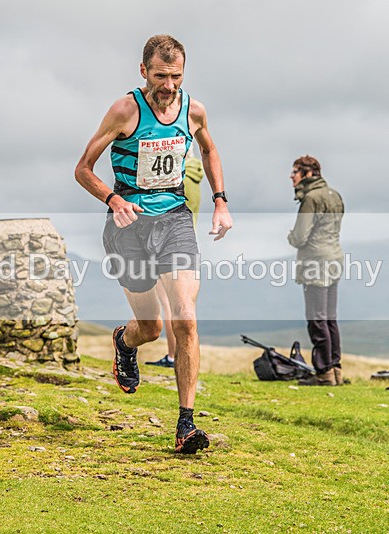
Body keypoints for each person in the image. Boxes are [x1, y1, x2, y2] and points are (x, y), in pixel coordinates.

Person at [74, 35, 233, 454]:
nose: (169, 86)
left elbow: (210, 148)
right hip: (128, 227)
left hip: (175, 220)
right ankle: (125, 343)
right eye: (161, 76)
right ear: (143, 71)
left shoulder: (193, 110)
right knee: (151, 327)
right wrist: (113, 199)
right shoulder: (125, 109)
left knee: (185, 316)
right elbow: (83, 168)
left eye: (176, 76)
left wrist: (220, 200)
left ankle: (186, 424)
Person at [286, 156, 345, 386]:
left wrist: (290, 237)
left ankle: (323, 372)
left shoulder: (310, 199)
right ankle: (336, 368)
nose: (291, 176)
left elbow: (300, 237)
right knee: (330, 318)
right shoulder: (334, 195)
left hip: (315, 263)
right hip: (334, 258)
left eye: (295, 172)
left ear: (309, 174)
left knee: (316, 318)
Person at [147, 149, 204, 369]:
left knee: (171, 306)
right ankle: (183, 357)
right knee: (185, 308)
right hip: (188, 249)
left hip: (169, 249)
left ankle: (174, 356)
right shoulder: (195, 181)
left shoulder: (178, 181)